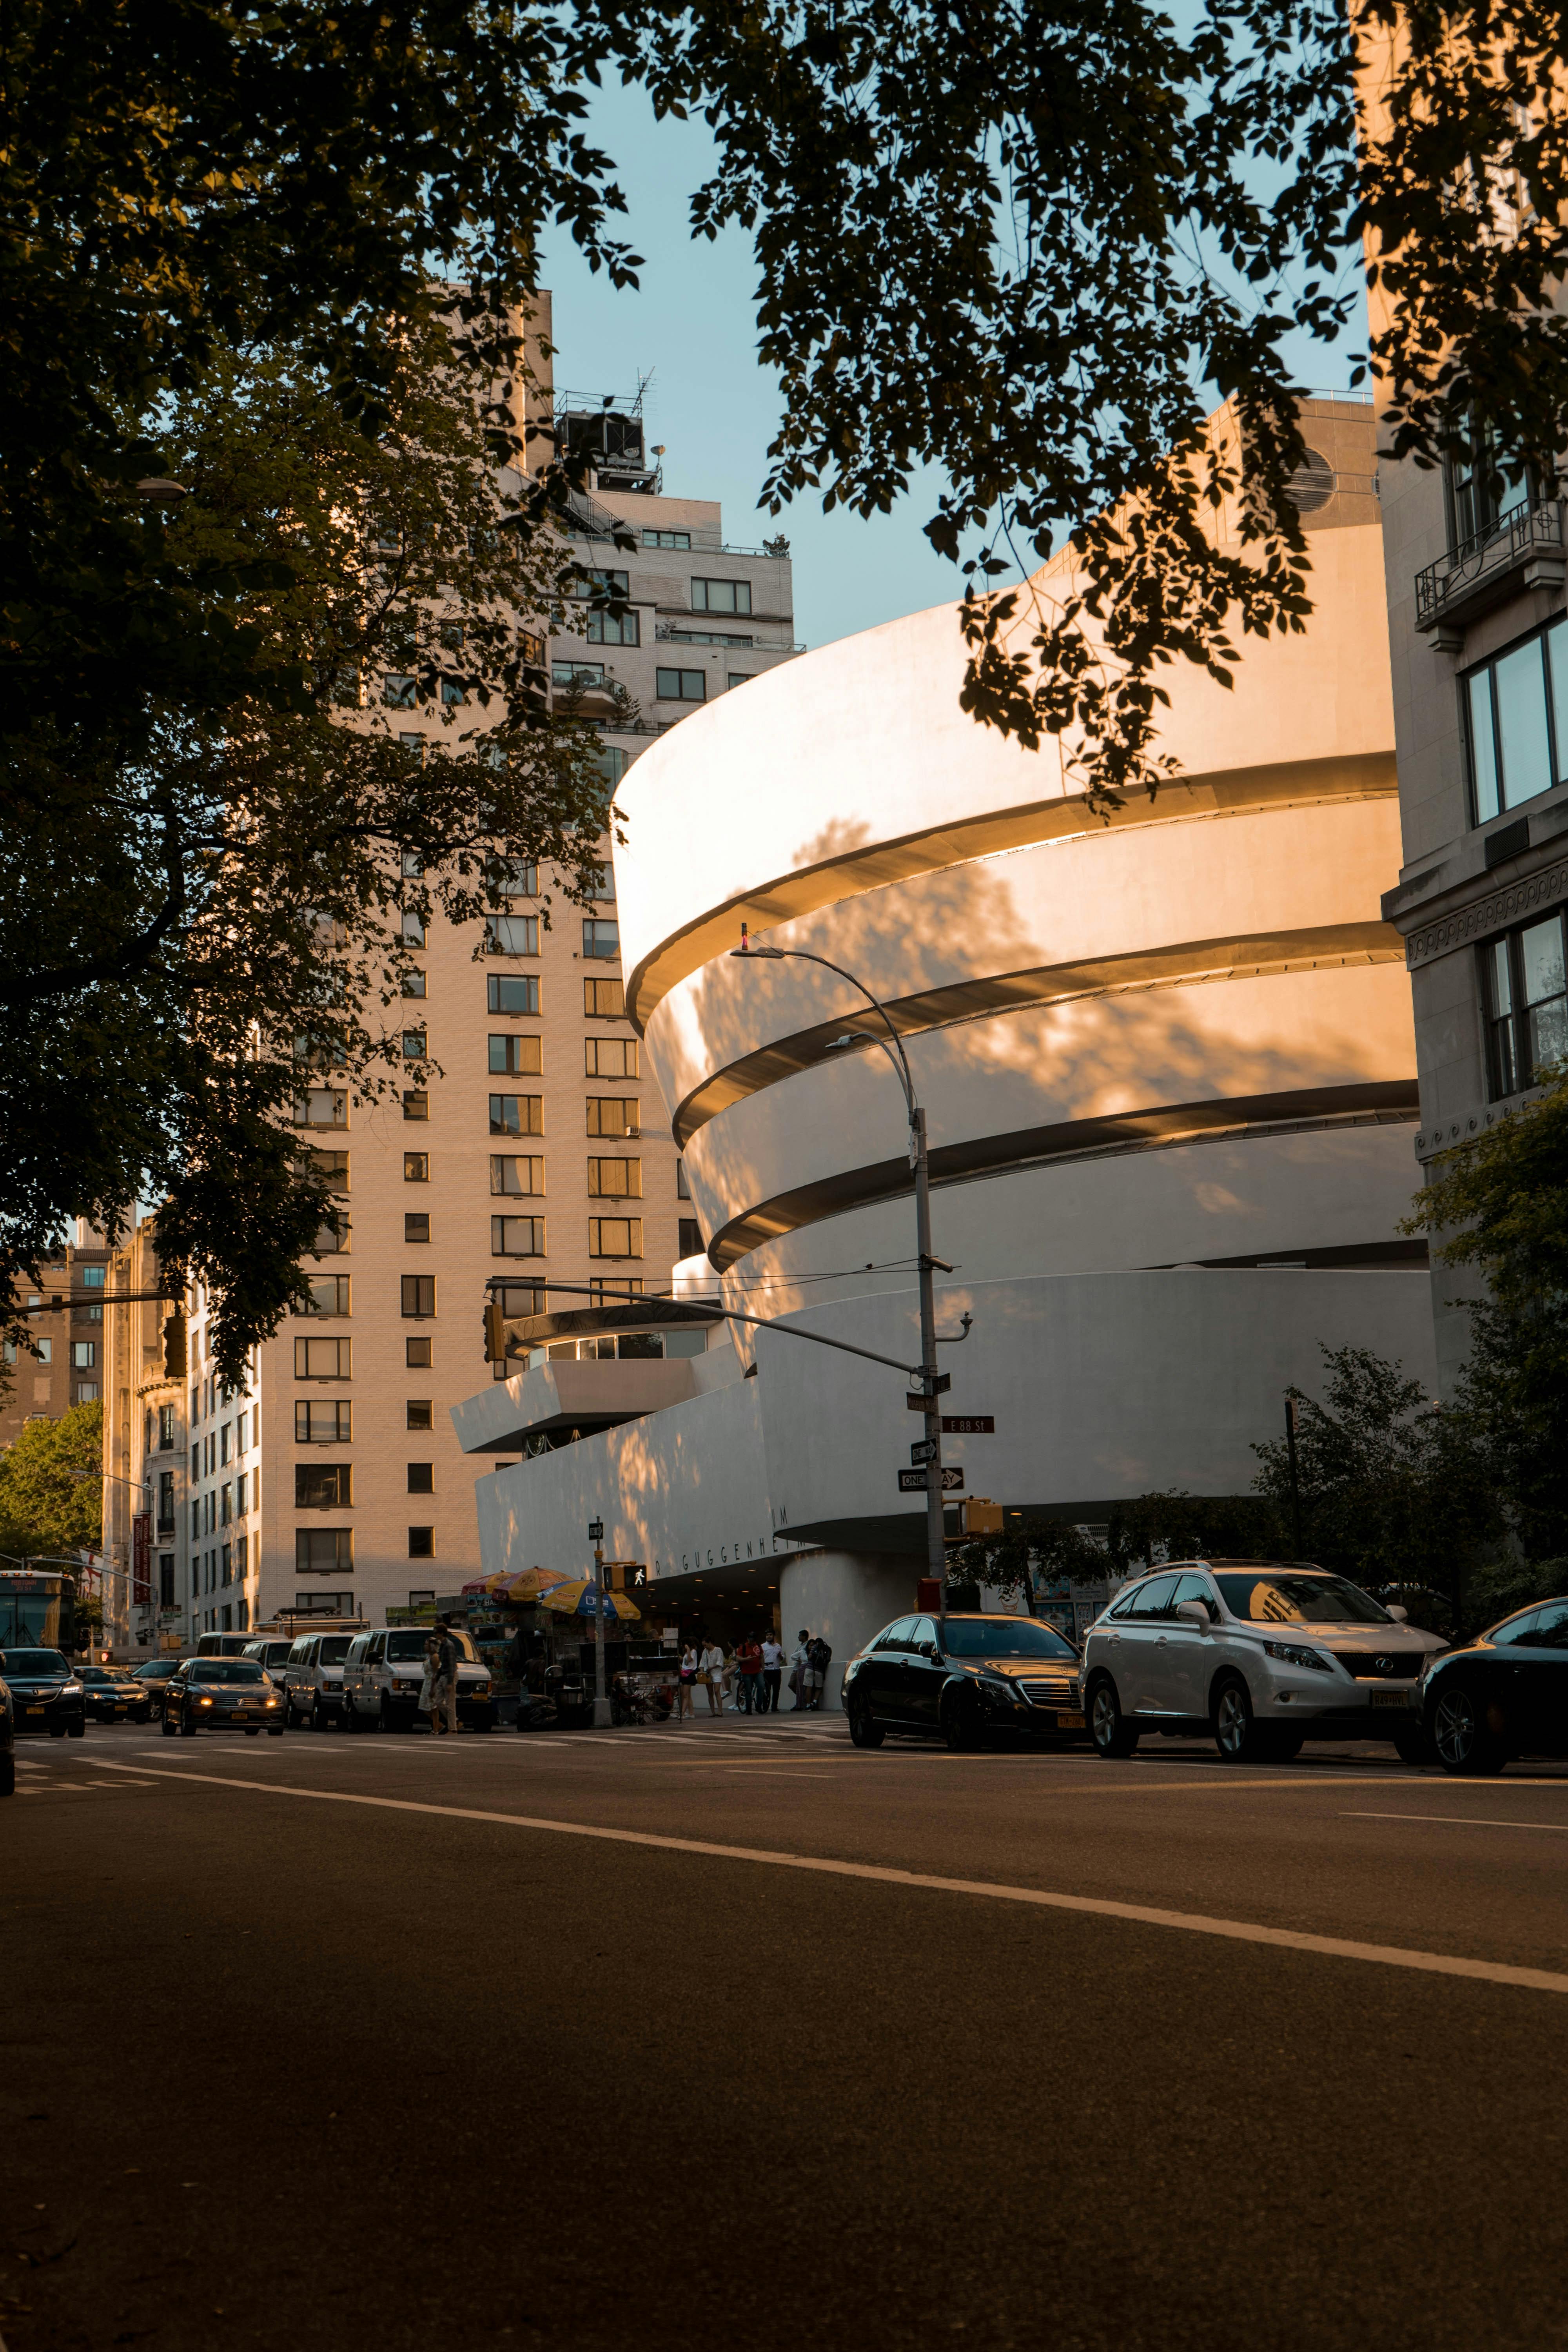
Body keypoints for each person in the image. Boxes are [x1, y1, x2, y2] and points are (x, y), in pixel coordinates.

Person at [433, 1614, 461, 1736]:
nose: (435, 1636)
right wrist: (438, 1676)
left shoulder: (449, 1646)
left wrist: (450, 1682)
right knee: (438, 1702)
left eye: (436, 1633)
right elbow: (444, 1664)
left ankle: (453, 1729)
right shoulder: (443, 1646)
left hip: (450, 1676)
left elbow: (451, 1665)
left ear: (441, 1634)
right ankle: (454, 1721)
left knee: (451, 1704)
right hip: (443, 1675)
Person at [735, 1633, 763, 1713]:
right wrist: (747, 1659)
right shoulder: (743, 1648)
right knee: (748, 1690)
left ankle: (759, 1706)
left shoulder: (758, 1647)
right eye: (751, 1641)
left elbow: (761, 1657)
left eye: (753, 1641)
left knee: (761, 1686)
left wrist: (763, 1668)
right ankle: (749, 1708)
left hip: (758, 1671)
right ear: (748, 1639)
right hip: (747, 1672)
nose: (752, 1643)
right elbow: (738, 1659)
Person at [806, 1630, 833, 1710]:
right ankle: (814, 1702)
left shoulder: (815, 1647)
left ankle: (808, 1705)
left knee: (809, 1687)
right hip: (820, 1670)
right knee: (819, 1688)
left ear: (817, 1642)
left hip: (810, 1668)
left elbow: (810, 1657)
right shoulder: (828, 1648)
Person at [699, 1635, 726, 1715]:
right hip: (708, 1674)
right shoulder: (705, 1651)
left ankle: (720, 1711)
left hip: (716, 1673)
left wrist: (711, 1668)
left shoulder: (718, 1650)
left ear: (710, 1643)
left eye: (705, 1645)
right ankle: (713, 1712)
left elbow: (720, 1662)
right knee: (710, 1693)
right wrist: (702, 1672)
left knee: (717, 1691)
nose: (705, 1647)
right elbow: (702, 1663)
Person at [760, 1632, 784, 1713]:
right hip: (767, 1671)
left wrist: (780, 1656)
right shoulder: (763, 1647)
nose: (769, 1636)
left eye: (771, 1635)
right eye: (767, 1635)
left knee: (776, 1690)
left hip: (776, 1670)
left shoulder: (778, 1646)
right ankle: (765, 1706)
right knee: (766, 1690)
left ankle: (774, 1707)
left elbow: (782, 1658)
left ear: (774, 1636)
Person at [790, 1629, 811, 1710]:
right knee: (792, 1684)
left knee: (802, 1687)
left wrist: (801, 1660)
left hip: (803, 1668)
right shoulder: (799, 1646)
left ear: (804, 1636)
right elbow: (793, 1655)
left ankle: (802, 1702)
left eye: (800, 1636)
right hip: (796, 1668)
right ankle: (801, 1698)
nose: (798, 1637)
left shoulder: (808, 1645)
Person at [676, 1642, 698, 1720]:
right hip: (684, 1673)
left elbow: (689, 1660)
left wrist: (688, 1650)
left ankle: (682, 1713)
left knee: (685, 1695)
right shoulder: (686, 1653)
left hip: (689, 1674)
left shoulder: (693, 1652)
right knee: (687, 1695)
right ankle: (691, 1713)